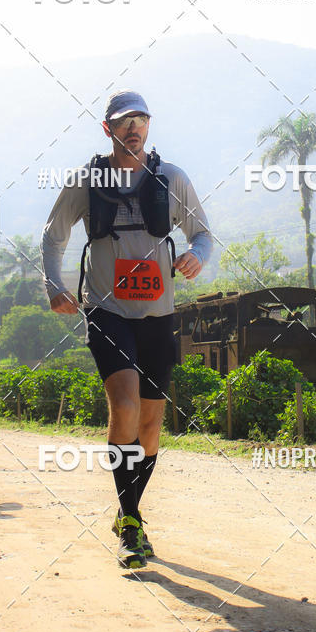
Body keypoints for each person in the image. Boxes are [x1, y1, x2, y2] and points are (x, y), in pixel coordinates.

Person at [41, 90, 213, 569]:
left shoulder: (170, 178)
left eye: (141, 120)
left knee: (152, 427)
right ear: (108, 129)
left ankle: (127, 513)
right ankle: (132, 521)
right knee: (126, 406)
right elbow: (53, 237)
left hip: (159, 315)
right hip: (108, 311)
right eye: (124, 121)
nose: (133, 127)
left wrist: (197, 255)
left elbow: (203, 233)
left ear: (149, 126)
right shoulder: (86, 181)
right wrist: (55, 287)